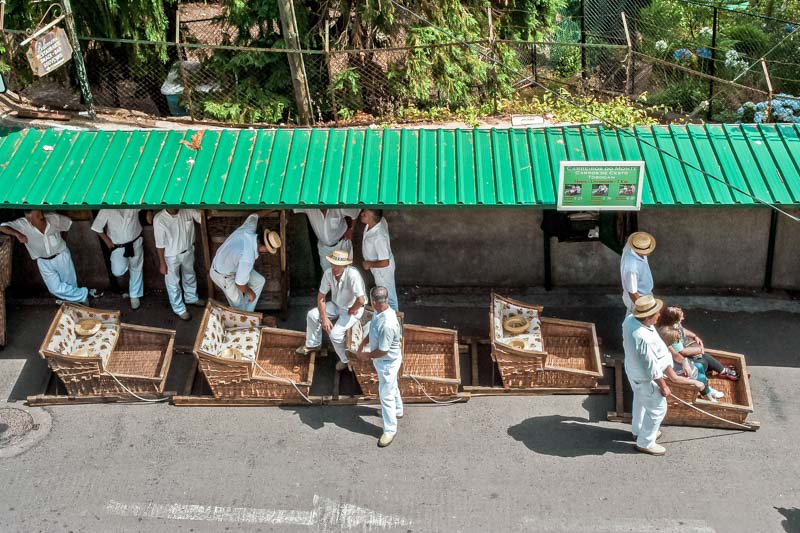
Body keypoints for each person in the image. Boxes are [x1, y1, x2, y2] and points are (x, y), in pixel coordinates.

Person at [623, 295, 704, 456]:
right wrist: (663, 385)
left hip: (634, 371)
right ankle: (645, 442)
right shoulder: (642, 338)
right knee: (658, 409)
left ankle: (638, 431)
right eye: (656, 314)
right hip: (645, 378)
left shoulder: (630, 320)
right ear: (647, 318)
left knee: (640, 402)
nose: (659, 316)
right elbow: (651, 367)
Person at [0, 210, 98, 304]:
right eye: (38, 216)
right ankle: (85, 293)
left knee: (70, 284)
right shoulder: (22, 224)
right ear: (28, 217)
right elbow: (2, 226)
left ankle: (76, 305)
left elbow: (67, 225)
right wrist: (17, 234)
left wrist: (62, 241)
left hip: (61, 256)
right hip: (43, 261)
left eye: (41, 213)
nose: (42, 216)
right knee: (54, 288)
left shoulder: (54, 218)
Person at [296, 249, 366, 371]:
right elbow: (321, 298)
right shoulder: (328, 273)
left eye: (339, 265)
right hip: (336, 304)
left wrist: (352, 309)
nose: (335, 268)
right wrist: (324, 318)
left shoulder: (352, 275)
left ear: (345, 265)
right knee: (312, 315)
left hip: (352, 308)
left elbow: (361, 300)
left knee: (335, 335)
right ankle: (313, 345)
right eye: (333, 264)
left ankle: (346, 360)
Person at [356, 286, 404, 447]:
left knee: (386, 394)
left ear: (375, 302)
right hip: (384, 362)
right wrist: (363, 342)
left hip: (387, 363)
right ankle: (398, 410)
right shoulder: (380, 311)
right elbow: (374, 330)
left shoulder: (388, 324)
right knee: (392, 387)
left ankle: (390, 430)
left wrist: (366, 355)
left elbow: (383, 351)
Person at [657, 305, 739, 382]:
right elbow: (682, 352)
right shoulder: (670, 334)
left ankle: (720, 369)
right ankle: (722, 371)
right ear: (673, 319)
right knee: (704, 360)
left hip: (683, 352)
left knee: (704, 357)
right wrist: (699, 350)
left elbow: (682, 329)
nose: (683, 318)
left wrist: (694, 336)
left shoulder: (675, 324)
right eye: (681, 317)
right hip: (678, 359)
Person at [152, 209, 205, 321]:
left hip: (188, 250)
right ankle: (179, 308)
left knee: (190, 275)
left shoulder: (187, 210)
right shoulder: (159, 219)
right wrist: (162, 263)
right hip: (171, 256)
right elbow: (159, 245)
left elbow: (203, 218)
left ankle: (191, 298)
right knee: (173, 283)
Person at [210, 213, 269, 312]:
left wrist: (272, 208)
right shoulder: (248, 256)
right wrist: (250, 292)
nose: (267, 251)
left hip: (231, 265)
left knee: (259, 281)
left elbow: (254, 215)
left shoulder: (250, 229)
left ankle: (248, 313)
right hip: (222, 275)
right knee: (238, 305)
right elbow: (240, 283)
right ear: (261, 244)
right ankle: (242, 316)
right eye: (268, 249)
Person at [91, 209, 144, 309]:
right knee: (117, 271)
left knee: (136, 268)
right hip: (118, 246)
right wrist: (107, 241)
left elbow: (146, 203)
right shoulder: (107, 208)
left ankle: (134, 295)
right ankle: (128, 265)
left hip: (135, 241)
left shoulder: (133, 201)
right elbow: (97, 227)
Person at [658, 327, 721, 402]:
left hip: (674, 368)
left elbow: (676, 355)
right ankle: (708, 397)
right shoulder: (662, 358)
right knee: (701, 378)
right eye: (675, 341)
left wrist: (685, 362)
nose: (677, 342)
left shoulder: (667, 346)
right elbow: (674, 378)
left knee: (699, 366)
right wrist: (695, 382)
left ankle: (706, 389)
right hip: (671, 376)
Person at [293, 209, 359, 270]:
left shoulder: (338, 205)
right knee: (328, 274)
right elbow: (291, 205)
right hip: (324, 248)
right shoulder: (310, 208)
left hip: (341, 245)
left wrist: (351, 229)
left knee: (344, 273)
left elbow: (355, 212)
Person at [360, 209, 398, 311]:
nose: (361, 214)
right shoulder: (376, 222)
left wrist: (369, 264)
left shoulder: (379, 237)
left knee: (389, 296)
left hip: (383, 271)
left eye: (365, 214)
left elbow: (385, 262)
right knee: (384, 293)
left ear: (372, 219)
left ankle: (395, 321)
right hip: (378, 269)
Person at [620, 231, 656, 314]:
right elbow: (632, 292)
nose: (650, 251)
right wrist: (643, 310)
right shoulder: (631, 267)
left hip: (645, 296)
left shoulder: (633, 246)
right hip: (638, 299)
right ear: (639, 251)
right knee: (637, 321)